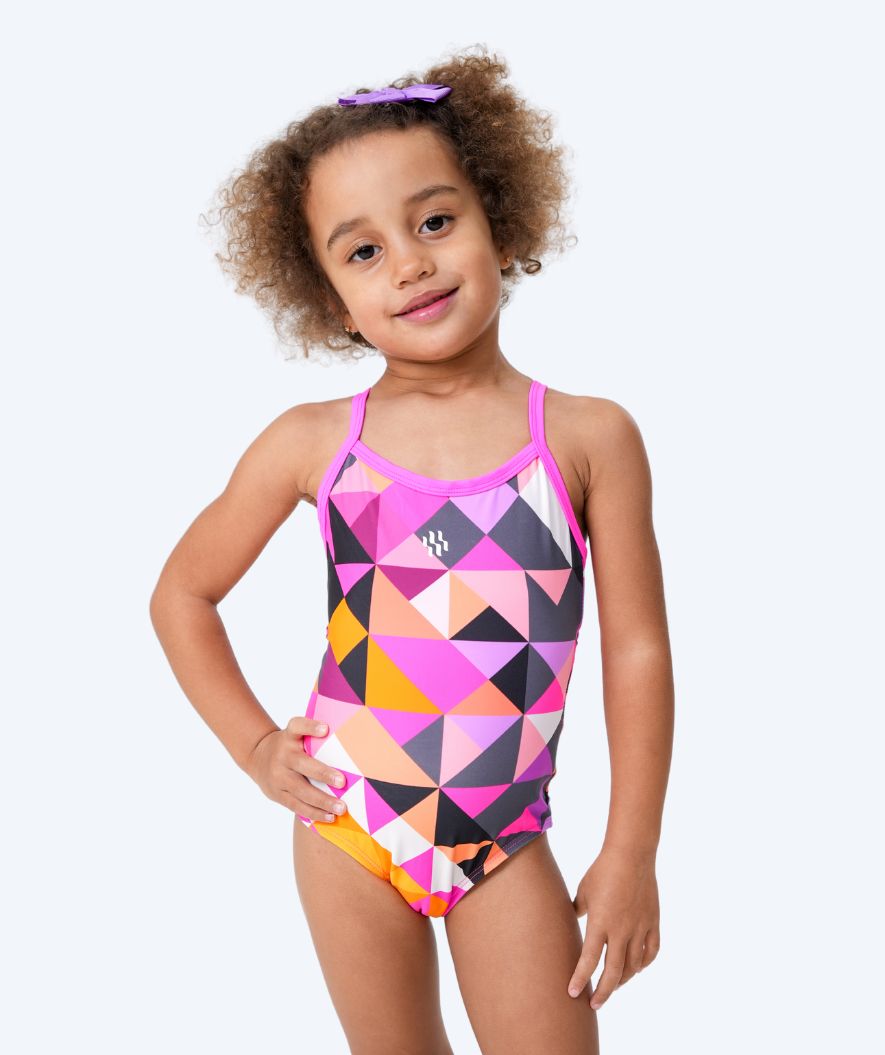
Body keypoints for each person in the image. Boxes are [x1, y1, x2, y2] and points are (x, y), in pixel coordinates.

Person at [150, 44, 674, 1055]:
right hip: (348, 821)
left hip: (502, 836)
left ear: (499, 220)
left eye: (434, 221)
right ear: (326, 296)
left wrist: (631, 849)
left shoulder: (586, 437)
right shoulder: (313, 443)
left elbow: (638, 650)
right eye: (362, 251)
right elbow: (182, 592)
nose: (410, 264)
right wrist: (255, 746)